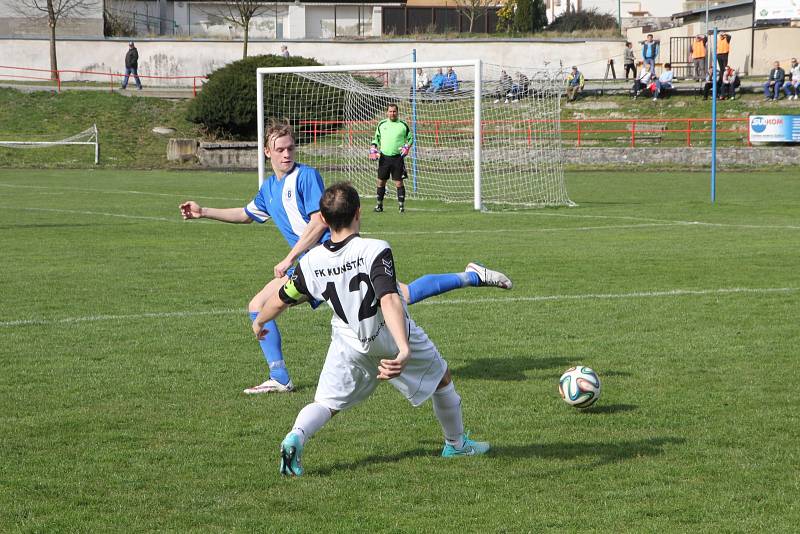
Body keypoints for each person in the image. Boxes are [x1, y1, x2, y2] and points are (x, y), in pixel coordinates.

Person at [181, 121, 513, 395]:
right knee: (259, 307)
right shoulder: (269, 188)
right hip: (312, 266)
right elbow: (246, 213)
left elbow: (318, 221)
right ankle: (280, 377)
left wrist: (289, 257)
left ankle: (472, 275)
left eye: (290, 148)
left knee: (404, 295)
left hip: (337, 255)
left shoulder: (305, 176)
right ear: (266, 152)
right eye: (279, 149)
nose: (286, 154)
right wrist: (203, 212)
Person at [252, 182, 491, 477]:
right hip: (388, 336)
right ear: (358, 213)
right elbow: (389, 298)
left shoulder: (310, 261)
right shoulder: (375, 249)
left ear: (324, 221)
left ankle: (296, 436)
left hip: (348, 343)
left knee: (326, 404)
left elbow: (282, 299)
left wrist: (261, 320)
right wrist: (403, 348)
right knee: (441, 378)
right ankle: (455, 444)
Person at [370, 103, 411, 213]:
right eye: (390, 111)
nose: (392, 113)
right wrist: (373, 149)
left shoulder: (403, 125)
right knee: (381, 182)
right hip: (384, 158)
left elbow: (410, 139)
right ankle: (379, 206)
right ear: (387, 112)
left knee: (399, 183)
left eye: (394, 111)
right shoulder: (382, 124)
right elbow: (376, 139)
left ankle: (401, 207)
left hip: (397, 158)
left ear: (397, 112)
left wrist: (407, 147)